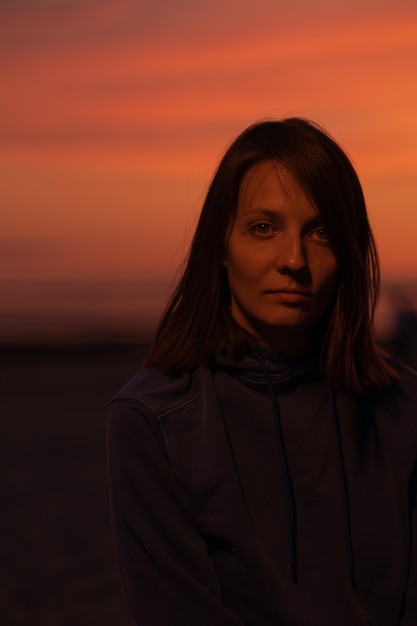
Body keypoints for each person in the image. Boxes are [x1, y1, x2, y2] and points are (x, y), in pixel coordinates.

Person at [106, 118, 417, 625]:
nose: (294, 259)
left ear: (350, 253)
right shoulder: (153, 418)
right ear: (219, 248)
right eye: (263, 228)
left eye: (321, 232)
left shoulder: (404, 408)